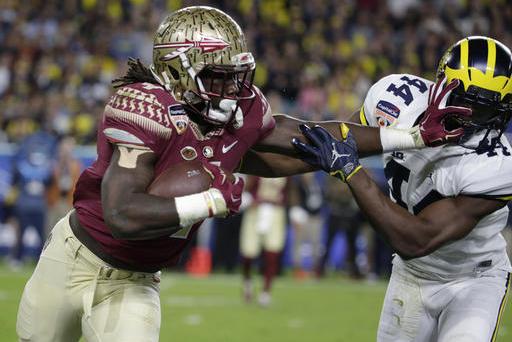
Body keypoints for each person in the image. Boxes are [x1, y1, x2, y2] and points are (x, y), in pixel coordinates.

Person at [16, 6, 468, 341]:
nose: (233, 89)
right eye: (218, 76)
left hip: (135, 282)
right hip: (75, 260)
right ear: (177, 70)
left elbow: (314, 138)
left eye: (236, 75)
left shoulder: (239, 109)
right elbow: (121, 213)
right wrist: (211, 200)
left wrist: (412, 136)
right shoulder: (144, 105)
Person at [293, 36, 512, 341]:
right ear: (441, 87)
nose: (473, 118)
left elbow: (416, 239)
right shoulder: (398, 98)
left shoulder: (498, 164)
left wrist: (351, 172)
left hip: (473, 278)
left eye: (488, 109)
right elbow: (332, 141)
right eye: (468, 102)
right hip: (413, 274)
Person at [240, 176, 288, 306]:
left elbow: (289, 190)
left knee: (272, 253)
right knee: (248, 253)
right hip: (256, 209)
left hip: (276, 210)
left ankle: (266, 291)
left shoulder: (285, 165)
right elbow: (248, 187)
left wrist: (294, 207)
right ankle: (247, 283)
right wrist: (248, 198)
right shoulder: (260, 161)